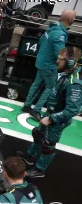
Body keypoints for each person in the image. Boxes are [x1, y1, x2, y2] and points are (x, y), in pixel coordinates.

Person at [17, 47, 82, 178]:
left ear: (70, 62)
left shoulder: (73, 83)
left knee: (49, 145)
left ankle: (40, 170)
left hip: (58, 119)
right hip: (51, 112)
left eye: (60, 59)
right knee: (38, 134)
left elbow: (72, 109)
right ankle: (30, 156)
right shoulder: (64, 73)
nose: (57, 61)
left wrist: (51, 119)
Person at [22, 10, 76, 121]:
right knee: (50, 87)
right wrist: (68, 62)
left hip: (41, 61)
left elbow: (41, 41)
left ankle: (26, 105)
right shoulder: (60, 34)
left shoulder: (52, 27)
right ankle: (36, 110)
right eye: (74, 17)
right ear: (69, 19)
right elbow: (60, 53)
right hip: (49, 65)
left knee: (36, 84)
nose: (74, 19)